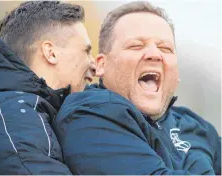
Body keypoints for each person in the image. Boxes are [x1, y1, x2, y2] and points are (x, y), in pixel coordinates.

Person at [53, 1, 221, 175]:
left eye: (165, 48)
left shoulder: (194, 124)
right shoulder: (88, 114)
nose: (155, 55)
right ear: (101, 65)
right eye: (136, 46)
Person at [0, 1, 95, 174]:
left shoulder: (26, 110)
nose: (94, 65)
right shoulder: (16, 122)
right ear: (51, 53)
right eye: (86, 51)